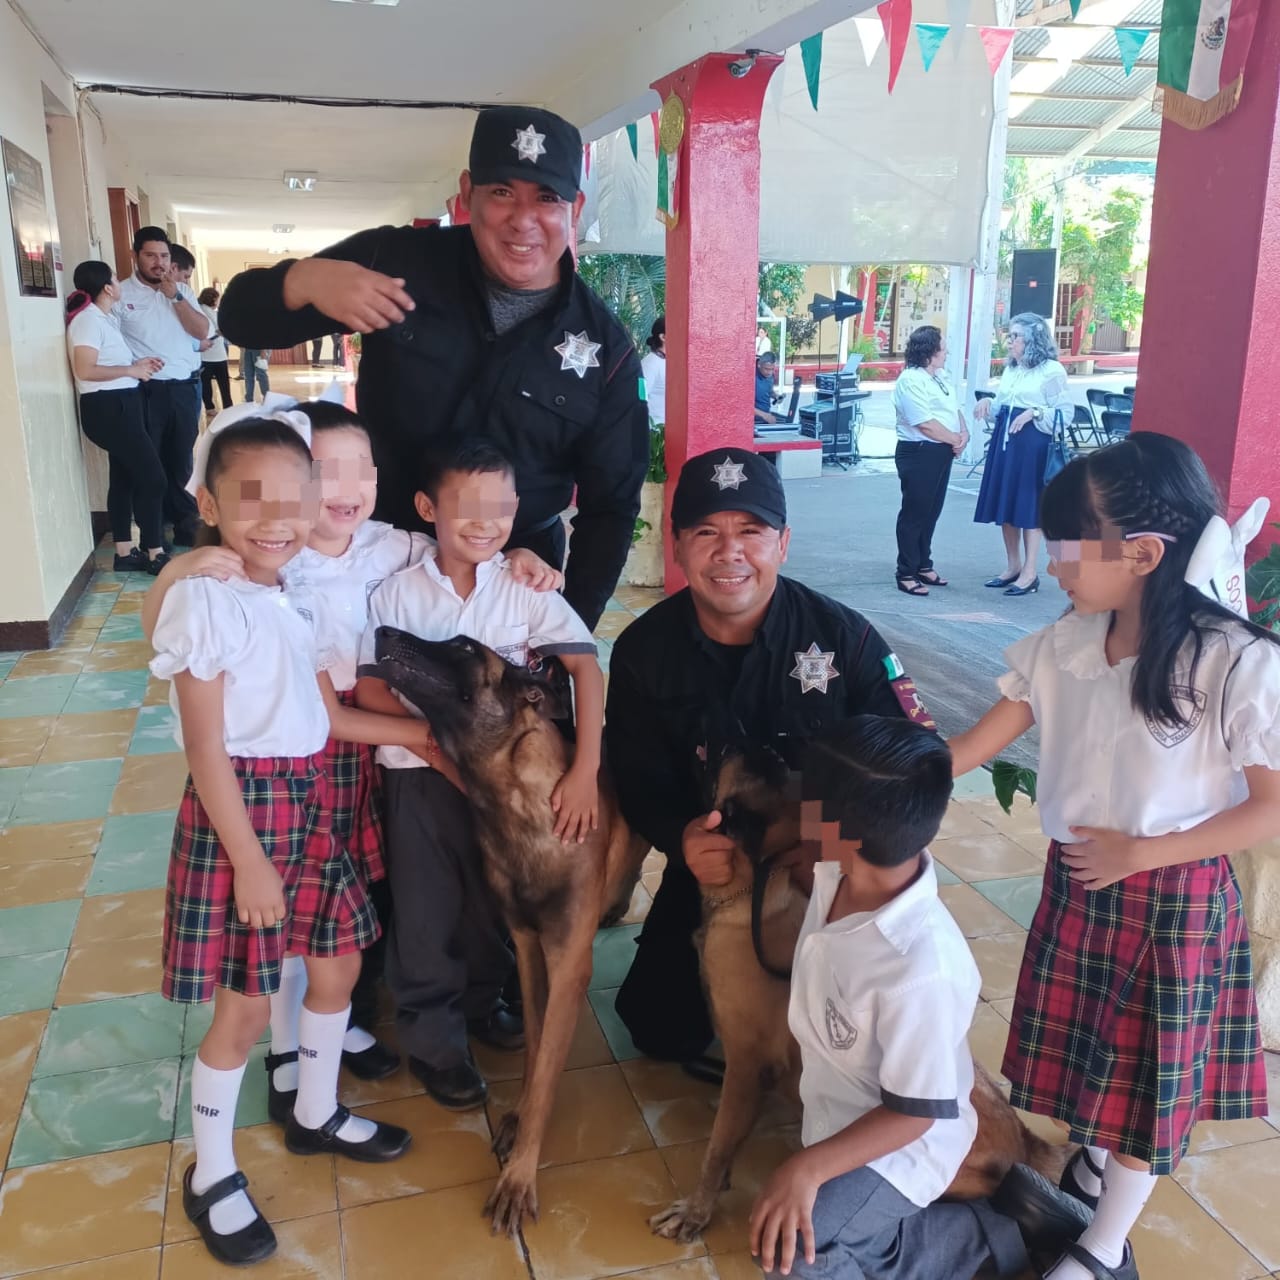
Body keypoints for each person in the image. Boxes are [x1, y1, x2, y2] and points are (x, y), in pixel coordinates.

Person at [949, 433, 1280, 1280]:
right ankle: (1093, 1163)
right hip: (1083, 887)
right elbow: (975, 745)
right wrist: (886, 777)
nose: (1052, 560)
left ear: (1141, 554)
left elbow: (1271, 804)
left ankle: (1102, 1247)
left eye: (1067, 544)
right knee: (1091, 1054)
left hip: (1172, 900)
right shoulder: (1068, 643)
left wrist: (1146, 850)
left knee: (1145, 1086)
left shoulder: (1234, 660)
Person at [148, 411, 465, 1266]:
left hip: (310, 797)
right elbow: (206, 748)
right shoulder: (205, 601)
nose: (276, 518)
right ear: (209, 504)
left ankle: (316, 1110)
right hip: (243, 812)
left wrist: (425, 739)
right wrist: (249, 860)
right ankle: (212, 1173)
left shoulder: (289, 595)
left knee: (338, 966)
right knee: (246, 1009)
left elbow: (324, 714)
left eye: (293, 498)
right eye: (251, 499)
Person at [218, 105, 647, 630]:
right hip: (371, 570)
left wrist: (567, 630)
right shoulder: (398, 262)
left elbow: (611, 508)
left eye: (547, 198)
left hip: (510, 584)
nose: (523, 219)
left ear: (574, 208)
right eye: (502, 192)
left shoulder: (606, 350)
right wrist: (304, 279)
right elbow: (239, 320)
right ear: (468, 193)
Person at [606, 447, 935, 1064]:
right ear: (677, 546)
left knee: (856, 1033)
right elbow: (638, 776)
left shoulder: (844, 637)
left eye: (751, 531)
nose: (729, 552)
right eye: (706, 532)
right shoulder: (644, 651)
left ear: (783, 543)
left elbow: (913, 760)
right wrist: (682, 839)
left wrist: (838, 849)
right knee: (658, 1028)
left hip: (831, 869)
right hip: (719, 865)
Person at [748, 716, 1091, 1280]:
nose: (794, 805)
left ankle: (992, 1237)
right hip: (843, 1114)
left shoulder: (921, 969)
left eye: (804, 798)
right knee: (833, 1233)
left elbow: (914, 1116)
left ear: (835, 829)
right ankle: (988, 1235)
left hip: (904, 1146)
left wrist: (807, 1169)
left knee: (792, 1252)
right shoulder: (836, 870)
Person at [355, 438, 602, 1108]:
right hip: (418, 777)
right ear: (426, 507)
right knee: (426, 906)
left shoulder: (524, 588)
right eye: (465, 506)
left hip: (507, 790)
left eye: (499, 508)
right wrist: (438, 752)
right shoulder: (396, 593)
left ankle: (482, 1002)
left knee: (494, 903)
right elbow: (372, 690)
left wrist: (585, 769)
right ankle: (434, 1043)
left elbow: (585, 667)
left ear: (516, 509)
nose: (483, 522)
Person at [65, 261, 169, 574]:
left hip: (122, 403)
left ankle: (125, 552)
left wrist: (138, 365)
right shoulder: (87, 321)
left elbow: (110, 363)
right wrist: (130, 370)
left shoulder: (103, 318)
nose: (118, 282)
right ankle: (155, 551)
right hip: (108, 408)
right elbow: (85, 369)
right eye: (114, 278)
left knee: (123, 478)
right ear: (108, 288)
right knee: (154, 478)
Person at [116, 226, 209, 547]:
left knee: (181, 459)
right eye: (151, 255)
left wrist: (176, 298)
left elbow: (200, 331)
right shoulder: (120, 294)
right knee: (150, 463)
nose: (159, 263)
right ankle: (153, 533)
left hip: (183, 388)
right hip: (144, 391)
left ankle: (185, 523)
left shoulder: (182, 291)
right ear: (135, 256)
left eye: (164, 256)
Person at [972, 312, 1073, 597]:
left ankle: (1030, 572)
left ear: (1033, 340)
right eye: (1010, 335)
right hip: (1007, 443)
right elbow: (1001, 406)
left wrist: (1034, 412)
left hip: (1032, 445)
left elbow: (1065, 413)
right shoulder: (1012, 370)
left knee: (1028, 508)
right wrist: (988, 402)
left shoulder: (1051, 371)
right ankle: (1013, 565)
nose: (1010, 341)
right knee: (1007, 506)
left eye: (1016, 336)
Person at [890, 326, 968, 598]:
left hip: (941, 451)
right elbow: (923, 423)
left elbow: (953, 408)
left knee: (932, 511)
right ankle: (906, 572)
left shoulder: (939, 377)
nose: (946, 353)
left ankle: (923, 563)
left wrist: (963, 432)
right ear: (929, 352)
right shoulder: (911, 380)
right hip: (919, 451)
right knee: (915, 513)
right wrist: (955, 439)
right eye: (943, 348)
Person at [198, 287, 233, 415]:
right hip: (210, 354)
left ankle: (210, 407)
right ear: (212, 299)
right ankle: (225, 406)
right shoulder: (204, 311)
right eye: (217, 299)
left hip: (211, 355)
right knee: (222, 383)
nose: (218, 301)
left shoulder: (203, 310)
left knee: (208, 383)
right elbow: (219, 329)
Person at [640, 315, 667, 426]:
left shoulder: (670, 362)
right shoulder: (649, 364)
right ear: (663, 337)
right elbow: (640, 397)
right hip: (655, 430)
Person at [754, 351, 781, 424]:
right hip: (753, 421)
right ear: (759, 365)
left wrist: (776, 396)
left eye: (772, 369)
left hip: (765, 417)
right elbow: (744, 405)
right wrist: (764, 415)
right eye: (766, 369)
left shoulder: (771, 375)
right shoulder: (751, 375)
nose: (769, 372)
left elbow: (769, 391)